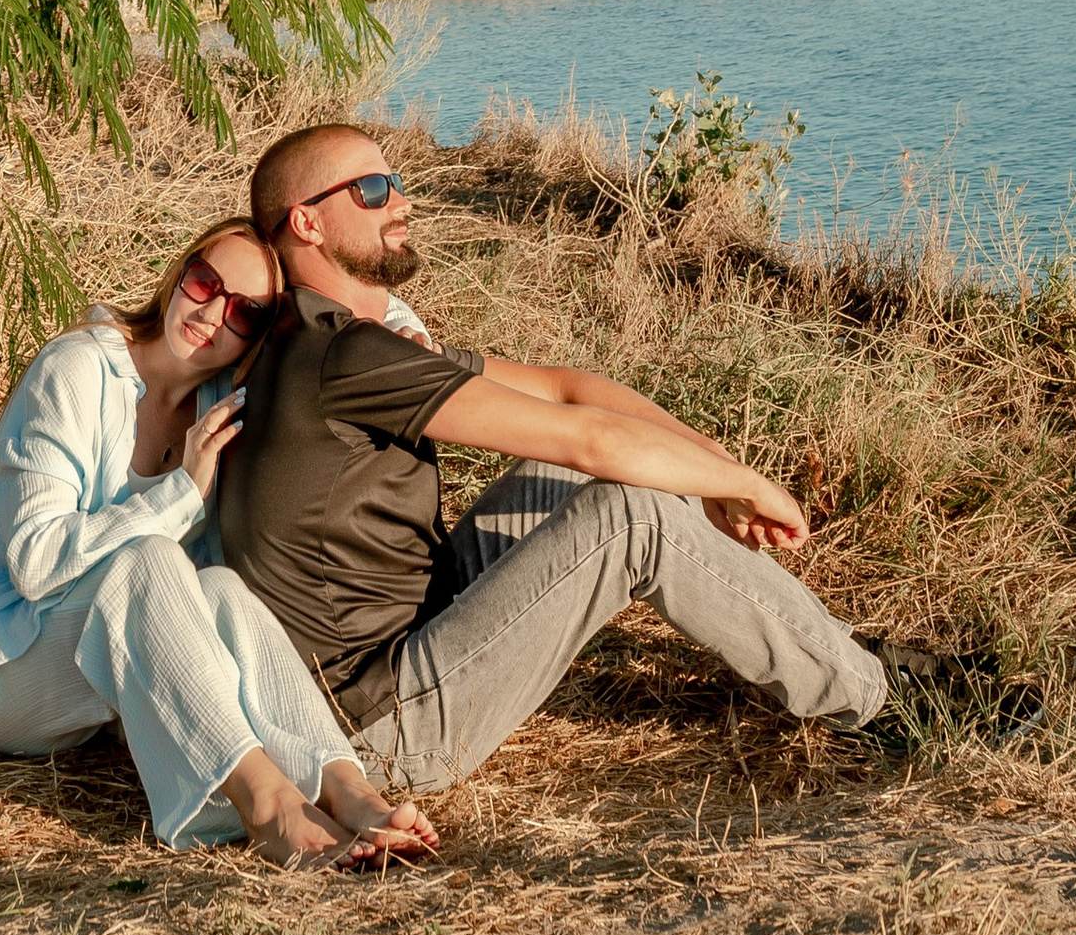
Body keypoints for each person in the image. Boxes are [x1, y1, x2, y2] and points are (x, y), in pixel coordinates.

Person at [214, 126, 886, 796]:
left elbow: (568, 390)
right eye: (371, 189)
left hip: (416, 630)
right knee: (631, 516)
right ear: (307, 221)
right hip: (377, 730)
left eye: (395, 183)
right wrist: (746, 483)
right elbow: (587, 437)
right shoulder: (339, 355)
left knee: (579, 477)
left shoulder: (330, 338)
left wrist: (713, 465)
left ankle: (839, 650)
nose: (401, 202)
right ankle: (879, 697)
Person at [0, 217, 439, 863]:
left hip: (99, 671)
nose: (213, 313)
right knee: (151, 558)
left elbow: (328, 313)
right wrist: (180, 491)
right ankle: (268, 809)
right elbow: (35, 563)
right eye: (206, 282)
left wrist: (406, 334)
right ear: (179, 274)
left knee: (220, 586)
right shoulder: (77, 370)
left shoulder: (224, 400)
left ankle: (350, 792)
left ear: (259, 335)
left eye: (244, 312)